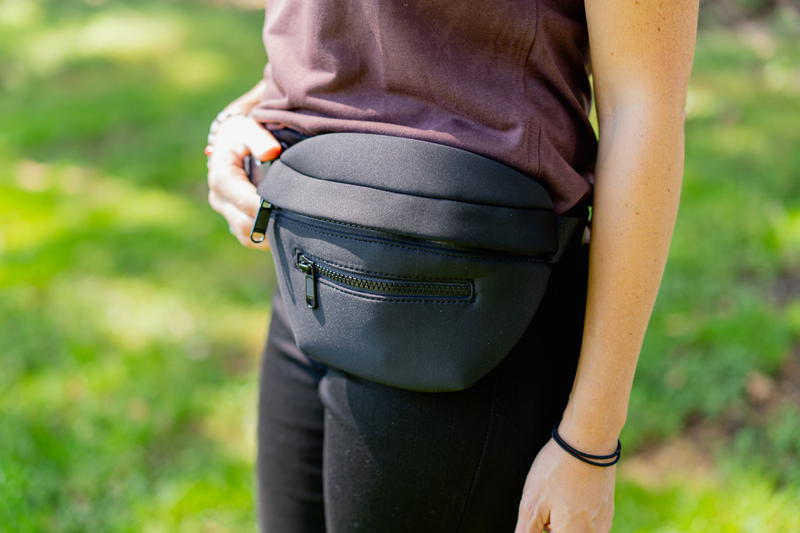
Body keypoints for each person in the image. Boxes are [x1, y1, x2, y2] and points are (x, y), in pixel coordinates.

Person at [205, 1, 700, 531]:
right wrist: (239, 118)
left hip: (471, 308)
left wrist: (589, 442)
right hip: (309, 261)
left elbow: (643, 102)